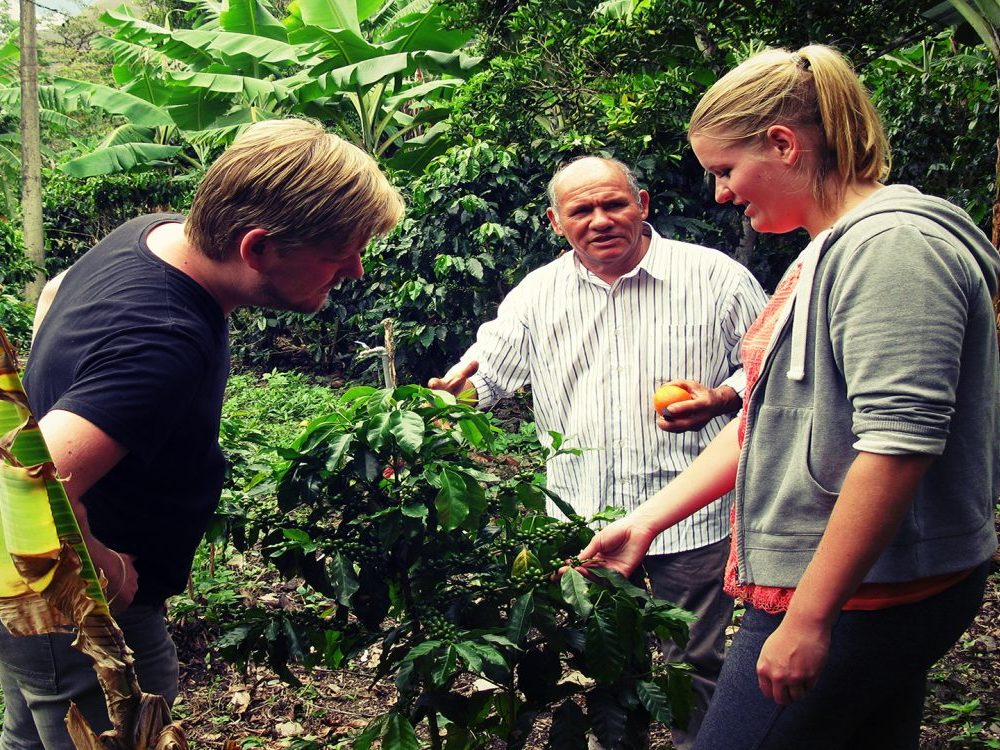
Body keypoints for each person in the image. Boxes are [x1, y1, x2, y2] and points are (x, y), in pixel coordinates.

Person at [576, 45, 999, 749]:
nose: (721, 193)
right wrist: (647, 521)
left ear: (782, 144)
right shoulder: (828, 249)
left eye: (725, 170)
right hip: (856, 585)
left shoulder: (893, 248)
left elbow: (897, 445)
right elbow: (768, 419)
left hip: (861, 592)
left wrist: (808, 617)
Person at [5, 118, 405, 750]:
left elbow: (56, 294)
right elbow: (23, 488)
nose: (354, 270)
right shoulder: (163, 338)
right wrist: (106, 569)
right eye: (340, 254)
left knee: (31, 734)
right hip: (77, 614)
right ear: (257, 247)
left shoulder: (157, 234)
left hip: (36, 604)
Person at [429, 155, 767, 747]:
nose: (600, 220)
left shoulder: (715, 278)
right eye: (581, 210)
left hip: (692, 516)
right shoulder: (537, 294)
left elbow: (766, 367)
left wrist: (722, 397)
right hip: (585, 518)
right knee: (609, 666)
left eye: (613, 204)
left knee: (694, 662)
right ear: (556, 222)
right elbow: (489, 371)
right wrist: (451, 399)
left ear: (643, 204)